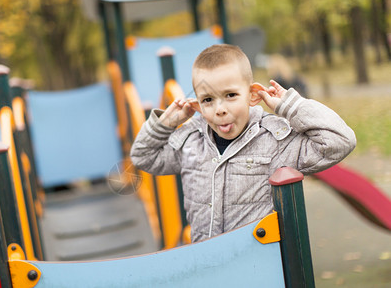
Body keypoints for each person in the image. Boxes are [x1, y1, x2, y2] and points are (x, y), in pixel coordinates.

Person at [130, 44, 356, 243]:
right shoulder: (191, 143)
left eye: (230, 95)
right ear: (197, 105)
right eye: (208, 100)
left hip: (256, 265)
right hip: (205, 264)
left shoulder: (273, 141)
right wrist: (164, 124)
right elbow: (143, 156)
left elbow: (339, 141)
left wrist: (289, 106)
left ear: (253, 95)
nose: (219, 109)